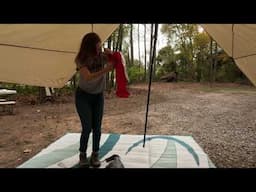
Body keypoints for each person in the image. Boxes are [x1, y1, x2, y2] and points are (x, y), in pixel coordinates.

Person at [74, 32, 114, 168]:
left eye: (100, 46)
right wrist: (106, 70)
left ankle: (95, 154)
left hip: (98, 96)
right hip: (83, 96)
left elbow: (117, 62)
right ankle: (82, 154)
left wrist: (111, 54)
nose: (99, 49)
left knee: (97, 127)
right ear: (89, 46)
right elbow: (88, 77)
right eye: (97, 47)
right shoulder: (81, 59)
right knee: (87, 127)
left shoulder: (101, 57)